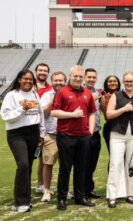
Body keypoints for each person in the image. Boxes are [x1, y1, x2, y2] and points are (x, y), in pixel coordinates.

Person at [51, 65, 97, 210]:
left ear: (83, 77)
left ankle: (80, 196)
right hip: (66, 136)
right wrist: (72, 115)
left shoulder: (87, 93)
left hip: (83, 136)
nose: (78, 78)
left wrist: (90, 131)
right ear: (70, 76)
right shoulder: (62, 92)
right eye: (75, 76)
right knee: (65, 168)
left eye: (80, 76)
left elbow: (91, 113)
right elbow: (54, 112)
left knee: (81, 168)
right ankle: (62, 198)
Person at [0, 68, 45, 213]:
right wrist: (22, 109)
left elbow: (40, 114)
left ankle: (25, 199)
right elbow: (5, 116)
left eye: (30, 79)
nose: (28, 81)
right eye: (25, 78)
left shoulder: (34, 94)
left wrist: (42, 134)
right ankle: (20, 202)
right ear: (19, 79)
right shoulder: (11, 95)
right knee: (23, 165)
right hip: (16, 133)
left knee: (29, 166)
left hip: (33, 132)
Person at [106, 72, 133, 208]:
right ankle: (113, 195)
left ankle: (131, 194)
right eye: (127, 81)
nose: (129, 83)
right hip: (117, 134)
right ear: (123, 82)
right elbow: (109, 113)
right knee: (115, 164)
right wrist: (124, 109)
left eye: (131, 81)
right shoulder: (116, 95)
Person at [40, 71, 67, 202]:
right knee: (48, 163)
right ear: (52, 81)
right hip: (51, 134)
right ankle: (47, 191)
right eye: (56, 80)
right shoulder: (46, 95)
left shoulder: (69, 93)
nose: (58, 83)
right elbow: (42, 115)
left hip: (67, 134)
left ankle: (64, 190)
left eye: (61, 80)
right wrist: (51, 102)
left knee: (65, 165)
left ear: (65, 81)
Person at [84, 68, 104, 199]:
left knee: (92, 164)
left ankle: (89, 189)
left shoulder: (98, 93)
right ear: (84, 78)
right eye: (89, 77)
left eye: (93, 77)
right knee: (82, 165)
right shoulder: (80, 92)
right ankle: (80, 192)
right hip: (83, 134)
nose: (91, 79)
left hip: (96, 133)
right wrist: (91, 98)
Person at [33, 63, 52, 194]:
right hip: (30, 125)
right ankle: (38, 184)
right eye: (40, 70)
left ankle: (41, 184)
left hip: (43, 127)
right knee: (30, 159)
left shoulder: (50, 88)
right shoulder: (29, 86)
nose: (43, 73)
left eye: (45, 71)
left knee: (42, 158)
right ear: (36, 72)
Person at [100, 75, 121, 154]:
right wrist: (107, 103)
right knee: (113, 155)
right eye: (110, 81)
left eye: (115, 81)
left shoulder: (123, 95)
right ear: (107, 84)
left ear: (118, 84)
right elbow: (107, 117)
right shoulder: (104, 97)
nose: (112, 83)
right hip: (110, 128)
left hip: (122, 127)